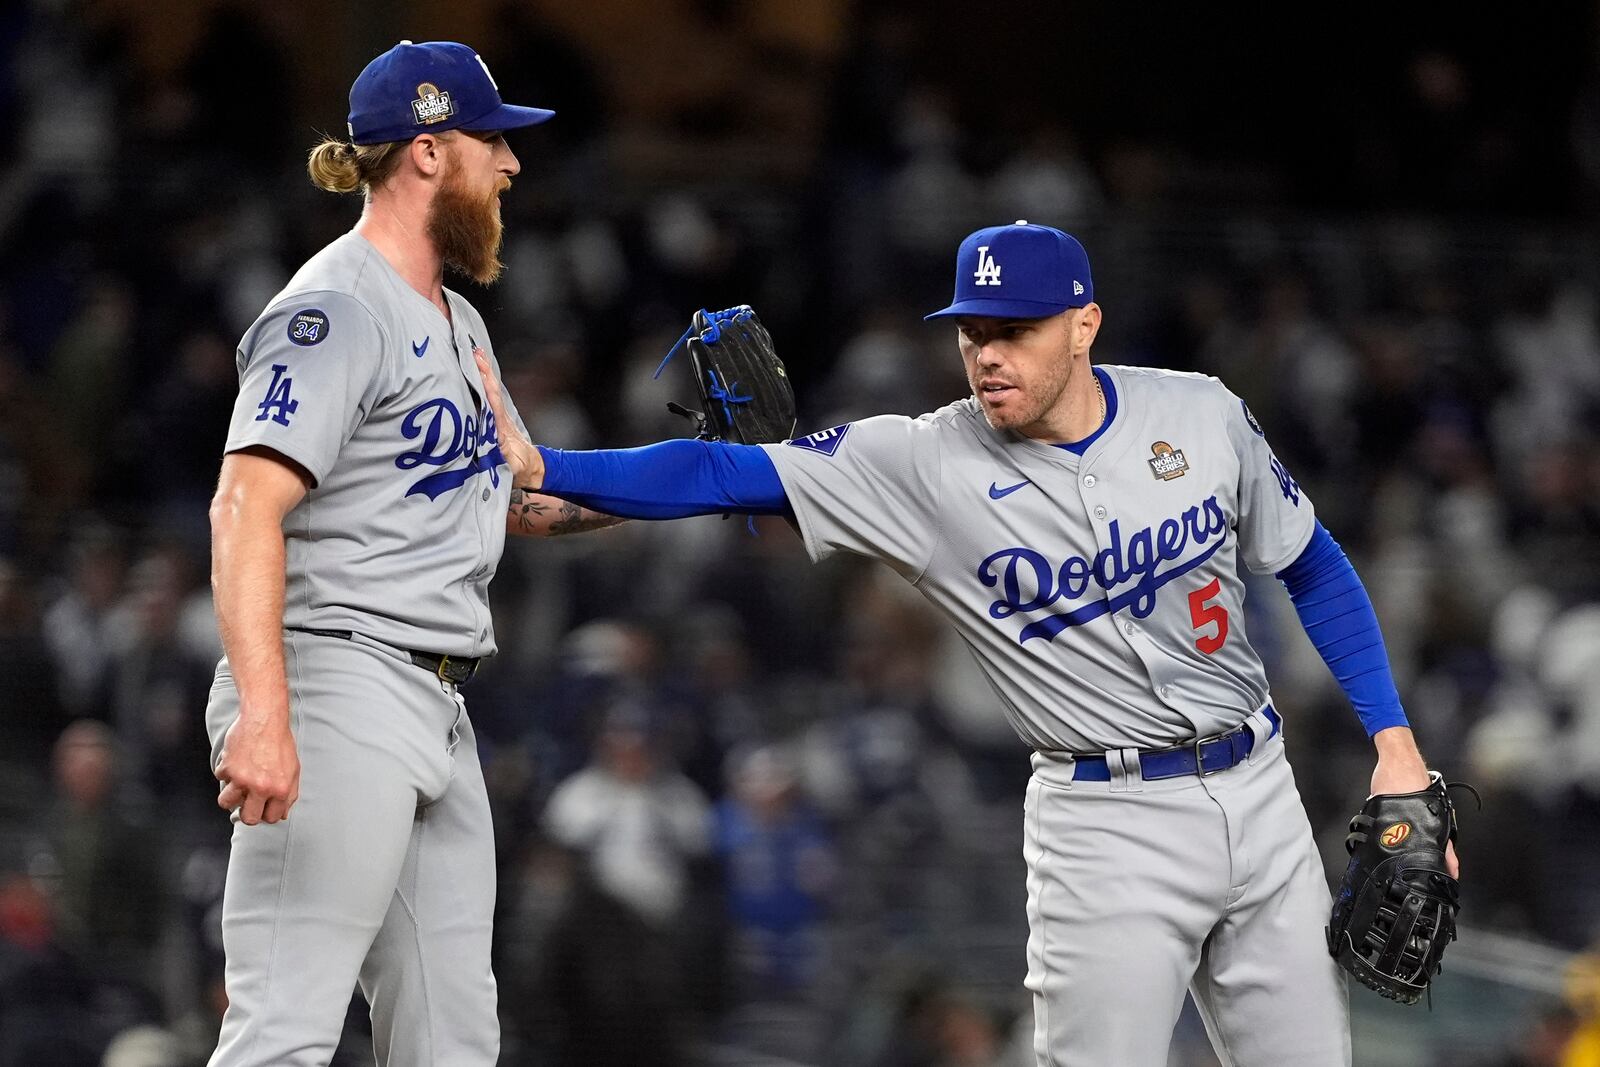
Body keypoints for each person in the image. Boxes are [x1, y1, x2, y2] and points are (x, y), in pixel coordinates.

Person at [473, 221, 1462, 1066]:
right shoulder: (920, 461)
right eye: (972, 333)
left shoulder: (1199, 414)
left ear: (1084, 326)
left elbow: (1314, 564)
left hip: (1259, 788)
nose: (988, 354)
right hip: (1102, 823)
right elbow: (721, 472)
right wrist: (548, 460)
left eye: (1015, 332)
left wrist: (1393, 740)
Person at [206, 40, 620, 1067]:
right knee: (285, 1031)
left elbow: (523, 499)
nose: (511, 166)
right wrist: (266, 710)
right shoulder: (334, 304)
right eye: (493, 142)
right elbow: (242, 503)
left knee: (451, 1035)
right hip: (338, 674)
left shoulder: (459, 320)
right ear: (429, 152)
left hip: (436, 700)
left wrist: (709, 472)